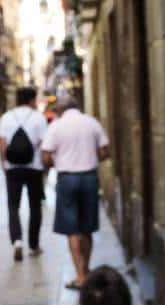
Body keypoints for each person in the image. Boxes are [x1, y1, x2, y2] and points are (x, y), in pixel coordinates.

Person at [41, 95, 110, 289]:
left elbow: (45, 157)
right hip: (89, 178)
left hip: (67, 179)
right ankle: (86, 270)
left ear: (60, 110)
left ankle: (80, 276)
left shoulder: (56, 126)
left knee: (72, 229)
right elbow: (105, 151)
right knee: (87, 227)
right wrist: (88, 158)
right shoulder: (91, 122)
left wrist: (61, 162)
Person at [0, 86, 49, 261]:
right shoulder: (38, 118)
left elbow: (2, 144)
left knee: (13, 206)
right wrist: (44, 167)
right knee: (35, 206)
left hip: (13, 168)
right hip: (34, 168)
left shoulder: (6, 117)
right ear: (32, 100)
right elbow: (44, 145)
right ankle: (34, 245)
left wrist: (5, 164)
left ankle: (17, 240)